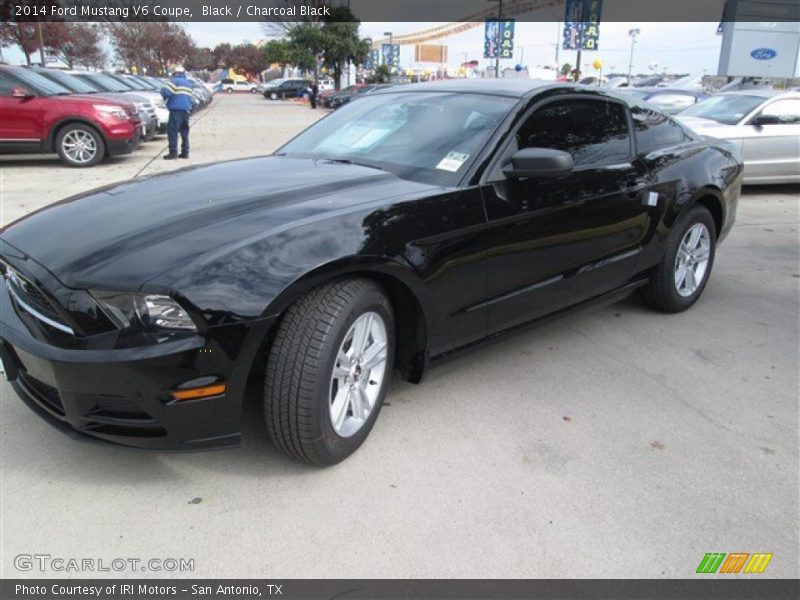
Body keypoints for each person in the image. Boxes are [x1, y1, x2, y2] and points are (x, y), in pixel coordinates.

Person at [160, 66, 194, 160]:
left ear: (175, 73)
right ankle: (185, 152)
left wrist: (162, 90)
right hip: (186, 111)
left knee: (172, 132)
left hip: (176, 111)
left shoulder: (174, 81)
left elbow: (166, 93)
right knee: (184, 133)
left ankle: (173, 153)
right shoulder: (188, 83)